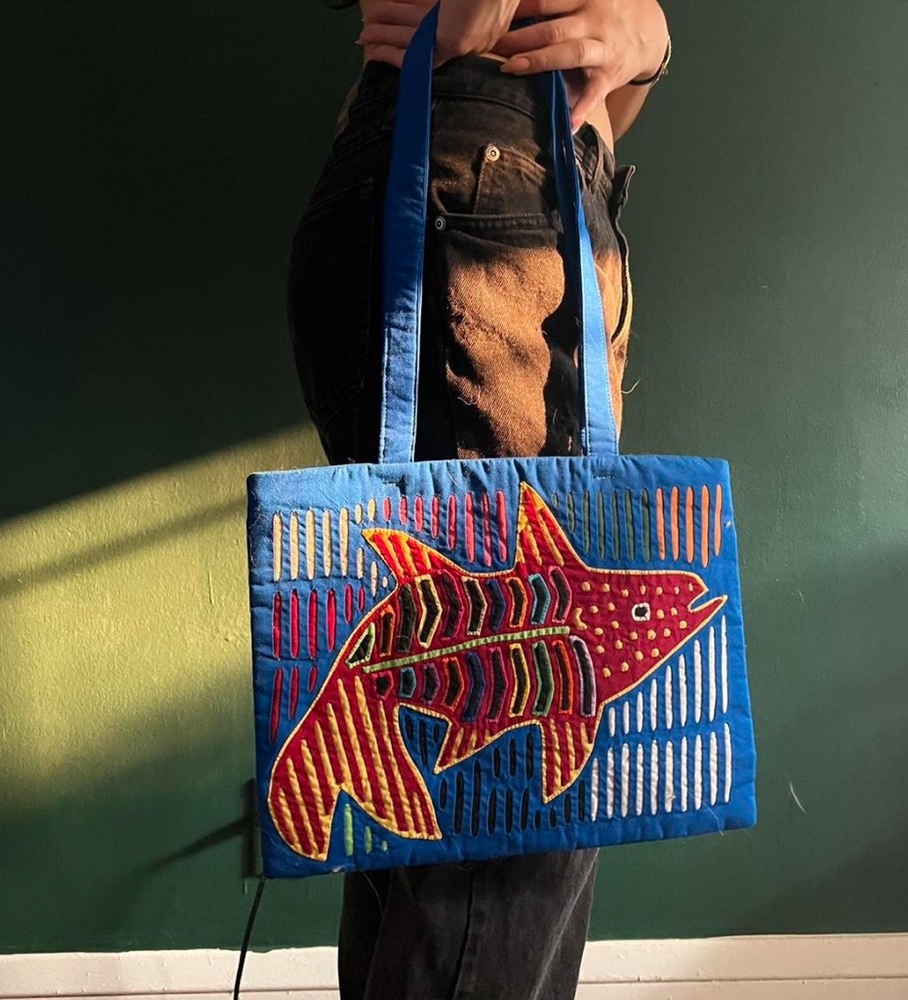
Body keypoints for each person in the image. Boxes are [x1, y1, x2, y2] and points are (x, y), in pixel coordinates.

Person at [287, 2, 670, 996]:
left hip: (511, 191)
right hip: (486, 197)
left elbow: (595, 81)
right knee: (507, 818)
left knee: (438, 803)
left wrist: (645, 48)